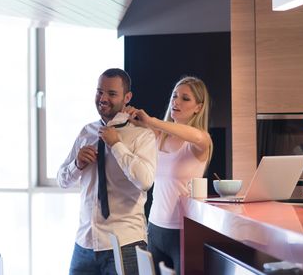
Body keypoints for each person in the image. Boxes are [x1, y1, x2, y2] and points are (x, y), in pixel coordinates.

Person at [57, 68, 157, 275]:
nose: (103, 98)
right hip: (85, 243)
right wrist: (77, 164)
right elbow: (62, 180)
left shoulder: (141, 136)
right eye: (99, 92)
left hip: (125, 244)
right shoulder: (87, 132)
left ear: (127, 97)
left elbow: (145, 181)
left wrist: (117, 146)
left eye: (111, 94)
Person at [125, 76, 213, 275]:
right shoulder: (159, 136)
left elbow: (197, 135)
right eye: (174, 96)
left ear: (198, 107)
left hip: (184, 232)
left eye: (185, 98)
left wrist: (152, 121)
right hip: (155, 228)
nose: (176, 101)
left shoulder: (200, 141)